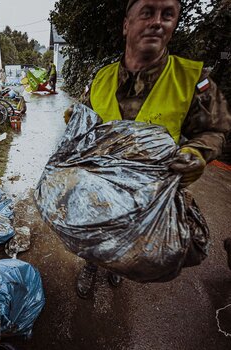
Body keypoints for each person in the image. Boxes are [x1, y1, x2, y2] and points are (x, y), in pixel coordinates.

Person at [75, 0, 231, 299]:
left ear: (174, 26)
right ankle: (92, 266)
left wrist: (197, 154)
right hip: (102, 185)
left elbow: (216, 129)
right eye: (147, 12)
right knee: (95, 229)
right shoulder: (101, 78)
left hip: (149, 192)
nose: (157, 21)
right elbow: (83, 127)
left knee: (127, 236)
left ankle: (113, 267)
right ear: (126, 25)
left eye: (168, 15)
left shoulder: (193, 79)